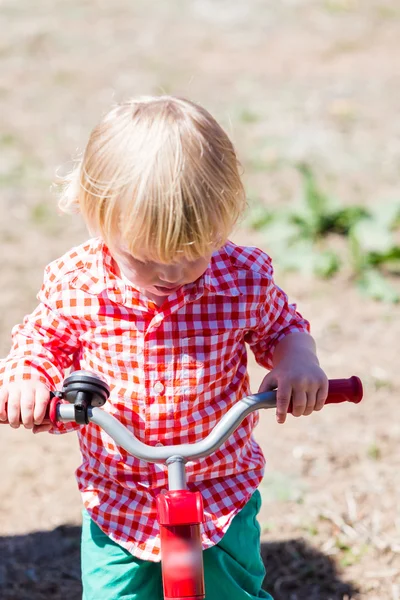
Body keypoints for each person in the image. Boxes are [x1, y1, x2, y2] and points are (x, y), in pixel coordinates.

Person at [0, 96, 328, 600]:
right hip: (120, 494)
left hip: (219, 487)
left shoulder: (240, 279)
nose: (171, 276)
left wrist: (297, 360)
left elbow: (283, 328)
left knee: (231, 593)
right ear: (93, 216)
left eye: (192, 255)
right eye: (145, 260)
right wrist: (27, 381)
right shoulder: (79, 284)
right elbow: (41, 340)